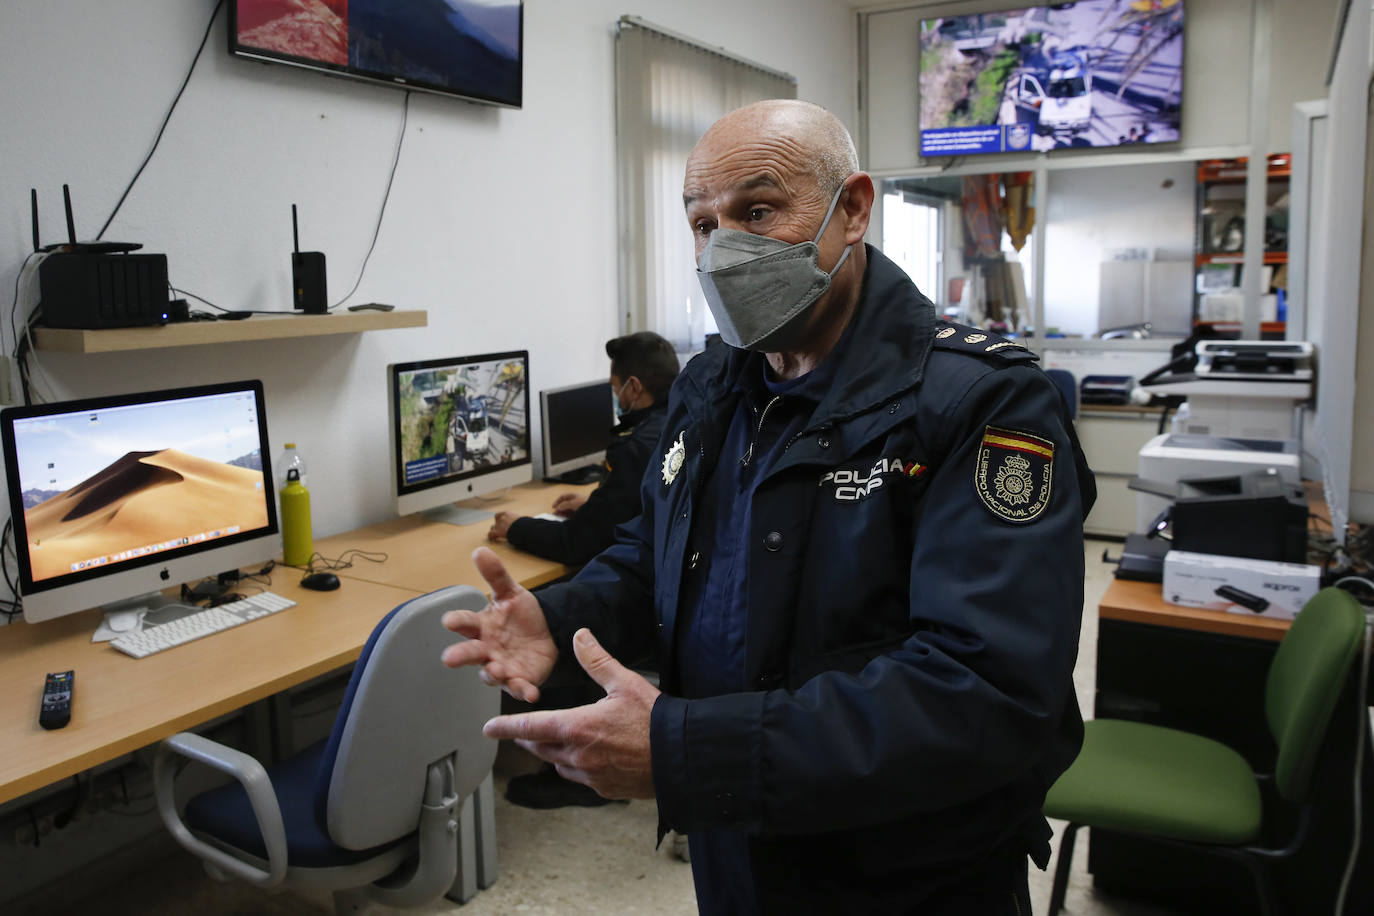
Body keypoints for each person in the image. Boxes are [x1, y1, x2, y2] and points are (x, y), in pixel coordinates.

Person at [442, 99, 1094, 914]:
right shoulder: (711, 386)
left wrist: (687, 753)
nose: (724, 250)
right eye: (703, 224)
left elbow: (988, 690)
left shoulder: (981, 403)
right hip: (740, 840)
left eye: (757, 211)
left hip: (909, 872)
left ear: (852, 210)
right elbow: (655, 554)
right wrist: (562, 617)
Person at [488, 331, 679, 566]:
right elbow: (640, 506)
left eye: (615, 388)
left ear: (633, 387)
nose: (615, 396)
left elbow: (574, 544)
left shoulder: (634, 449)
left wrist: (516, 527)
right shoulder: (682, 424)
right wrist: (595, 507)